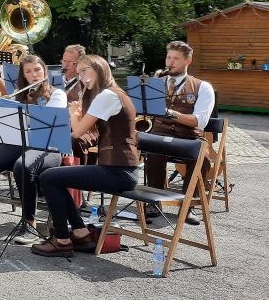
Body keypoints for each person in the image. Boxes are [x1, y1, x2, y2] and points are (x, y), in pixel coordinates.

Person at [32, 54, 139, 257]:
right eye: (79, 72)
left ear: (99, 69)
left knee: (49, 177)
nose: (81, 76)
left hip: (120, 172)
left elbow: (78, 132)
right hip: (118, 168)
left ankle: (62, 239)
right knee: (55, 177)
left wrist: (73, 112)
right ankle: (80, 233)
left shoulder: (108, 95)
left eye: (84, 71)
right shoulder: (112, 94)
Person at [0, 54, 68, 245]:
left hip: (46, 146)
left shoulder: (57, 94)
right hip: (18, 142)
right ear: (23, 76)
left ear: (44, 71)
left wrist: (18, 108)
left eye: (37, 70)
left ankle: (30, 223)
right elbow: (8, 125)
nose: (34, 75)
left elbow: (48, 122)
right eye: (29, 72)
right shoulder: (19, 92)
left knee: (22, 166)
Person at [141, 40, 215, 221]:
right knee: (153, 150)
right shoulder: (155, 83)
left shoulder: (203, 87)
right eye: (168, 57)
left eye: (176, 59)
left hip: (188, 136)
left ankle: (189, 204)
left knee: (202, 159)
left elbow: (201, 121)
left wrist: (170, 113)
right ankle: (153, 201)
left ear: (188, 61)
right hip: (161, 133)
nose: (170, 63)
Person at [60, 44, 98, 162]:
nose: (65, 65)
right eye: (63, 61)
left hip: (83, 126)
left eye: (70, 62)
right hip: (58, 124)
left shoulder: (87, 82)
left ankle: (78, 174)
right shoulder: (54, 80)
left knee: (73, 139)